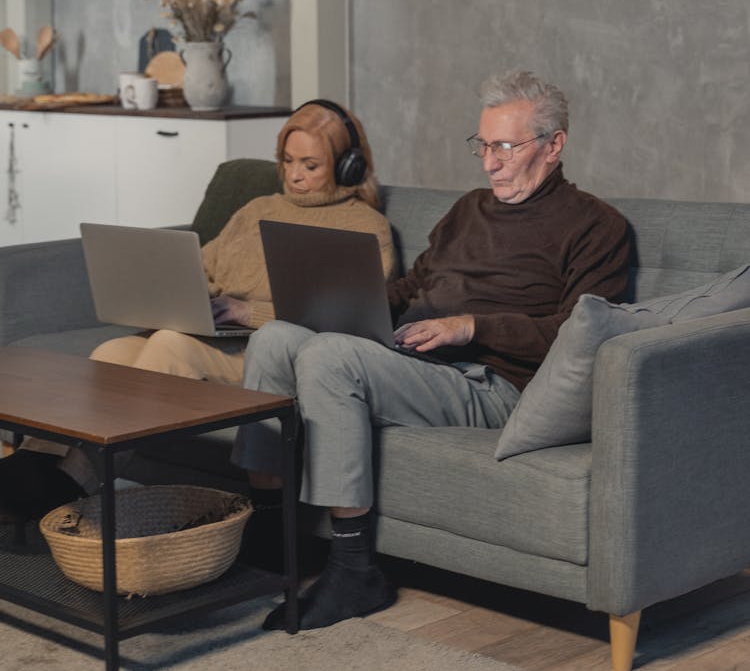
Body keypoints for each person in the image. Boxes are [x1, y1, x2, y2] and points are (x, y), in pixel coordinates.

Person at [231, 70, 632, 631]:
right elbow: (412, 286)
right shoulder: (469, 209)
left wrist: (471, 327)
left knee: (329, 358)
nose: (490, 162)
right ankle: (273, 536)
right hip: (415, 359)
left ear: (554, 145)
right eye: (483, 145)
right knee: (276, 337)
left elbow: (580, 334)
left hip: (490, 383)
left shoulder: (596, 226)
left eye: (505, 147)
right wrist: (348, 302)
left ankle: (353, 571)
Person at [0, 99, 395, 522]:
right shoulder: (257, 209)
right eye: (287, 160)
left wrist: (247, 312)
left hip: (274, 355)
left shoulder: (364, 227)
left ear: (348, 164)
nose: (295, 175)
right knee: (111, 353)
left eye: (310, 165)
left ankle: (70, 482)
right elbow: (204, 267)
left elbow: (348, 319)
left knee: (170, 346)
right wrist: (182, 296)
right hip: (215, 338)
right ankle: (40, 462)